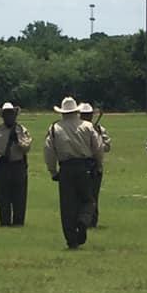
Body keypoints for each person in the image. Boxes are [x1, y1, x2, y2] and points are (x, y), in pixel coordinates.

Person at [44, 96, 103, 249]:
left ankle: (72, 240)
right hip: (85, 168)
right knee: (88, 200)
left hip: (65, 169)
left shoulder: (54, 128)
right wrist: (98, 165)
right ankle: (83, 221)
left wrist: (53, 171)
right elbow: (98, 147)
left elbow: (49, 151)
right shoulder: (87, 126)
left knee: (67, 206)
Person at [0, 102, 32, 226]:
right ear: (3, 116)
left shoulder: (21, 130)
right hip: (2, 166)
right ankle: (4, 222)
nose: (9, 116)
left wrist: (17, 141)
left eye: (11, 114)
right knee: (2, 196)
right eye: (6, 114)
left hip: (18, 166)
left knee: (19, 196)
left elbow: (27, 147)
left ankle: (18, 222)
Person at [79, 102, 111, 227]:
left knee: (93, 195)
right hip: (81, 165)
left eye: (88, 115)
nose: (86, 117)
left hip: (94, 166)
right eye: (83, 115)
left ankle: (92, 221)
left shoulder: (99, 129)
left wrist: (96, 143)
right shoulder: (77, 130)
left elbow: (107, 146)